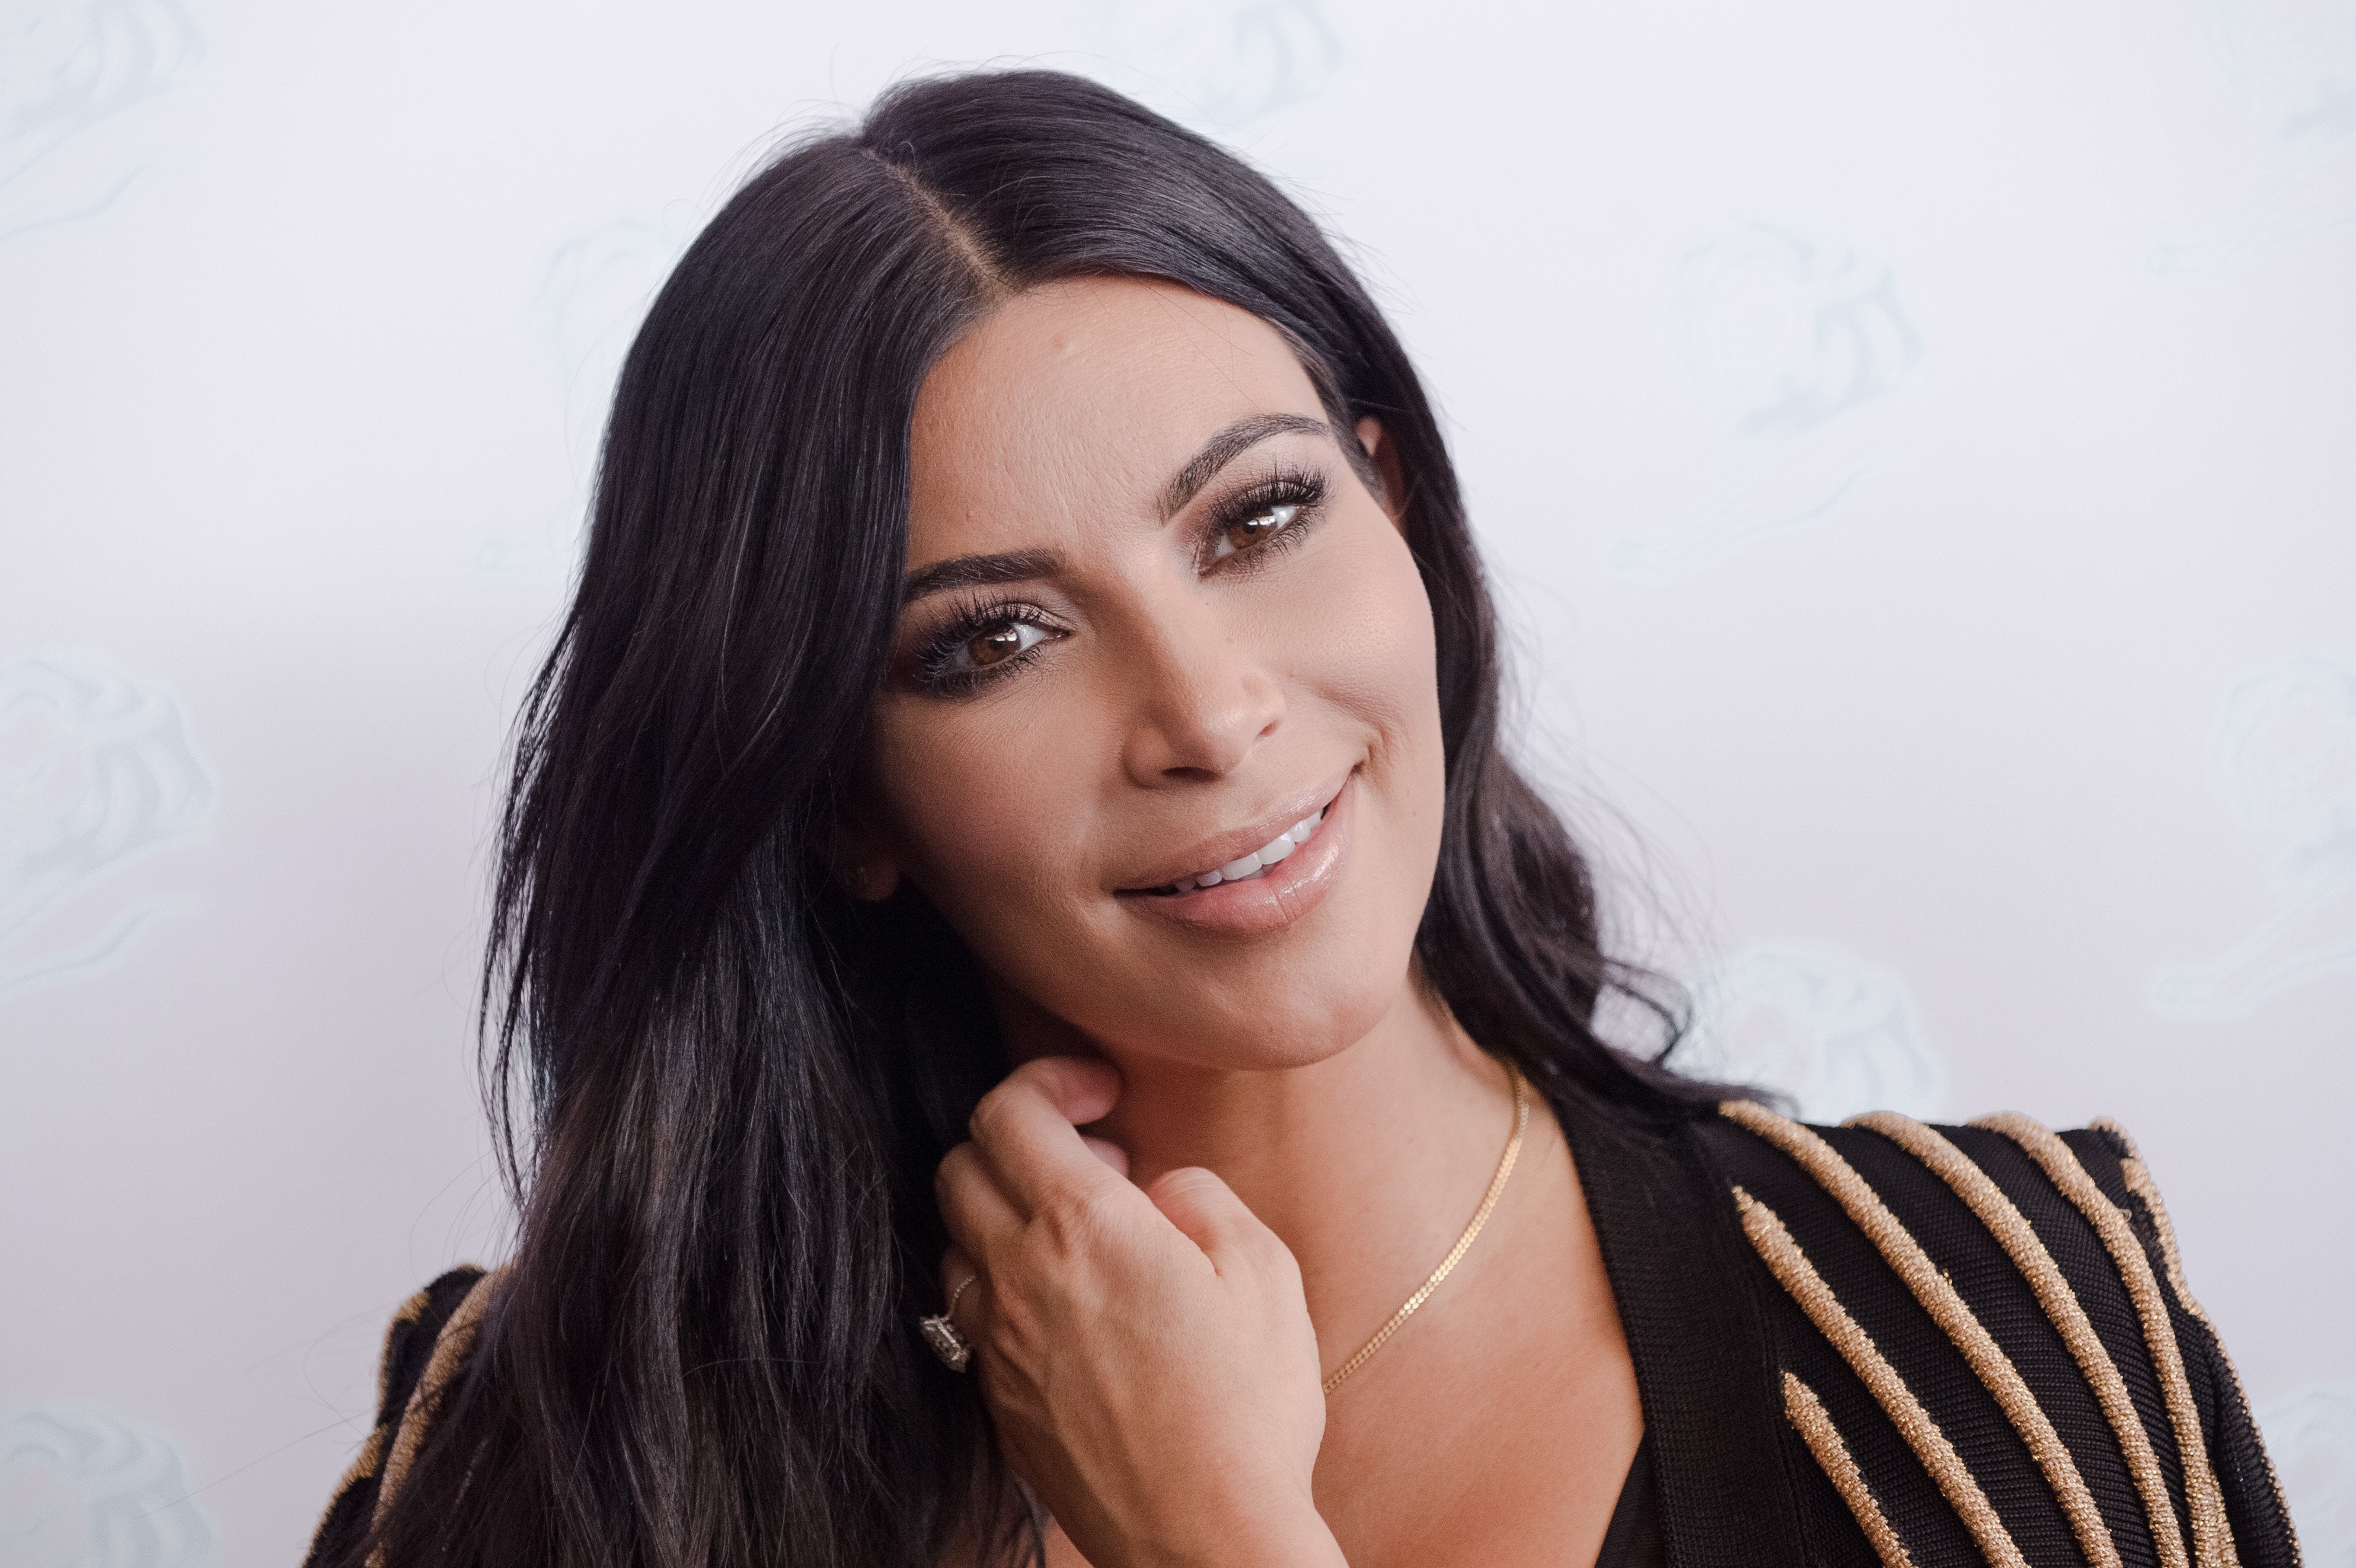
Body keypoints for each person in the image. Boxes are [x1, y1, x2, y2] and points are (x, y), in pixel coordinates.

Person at [304, 69, 2299, 1568]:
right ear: (843, 799)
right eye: (993, 641)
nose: (1210, 713)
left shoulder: (1983, 1327)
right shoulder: (545, 1452)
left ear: (1397, 503)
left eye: (1259, 521)